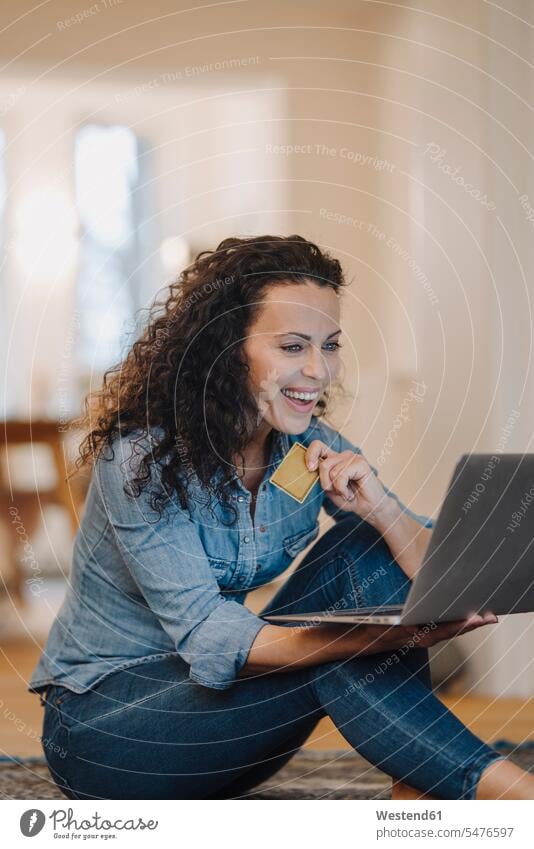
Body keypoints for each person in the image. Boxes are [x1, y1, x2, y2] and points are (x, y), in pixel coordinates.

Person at [29, 235, 534, 800]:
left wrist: (381, 509)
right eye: (293, 346)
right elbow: (208, 633)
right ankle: (489, 790)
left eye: (331, 345)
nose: (318, 370)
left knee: (366, 544)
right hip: (109, 735)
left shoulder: (302, 453)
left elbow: (434, 574)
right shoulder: (144, 462)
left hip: (227, 730)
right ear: (225, 348)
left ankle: (426, 782)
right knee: (337, 651)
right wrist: (365, 641)